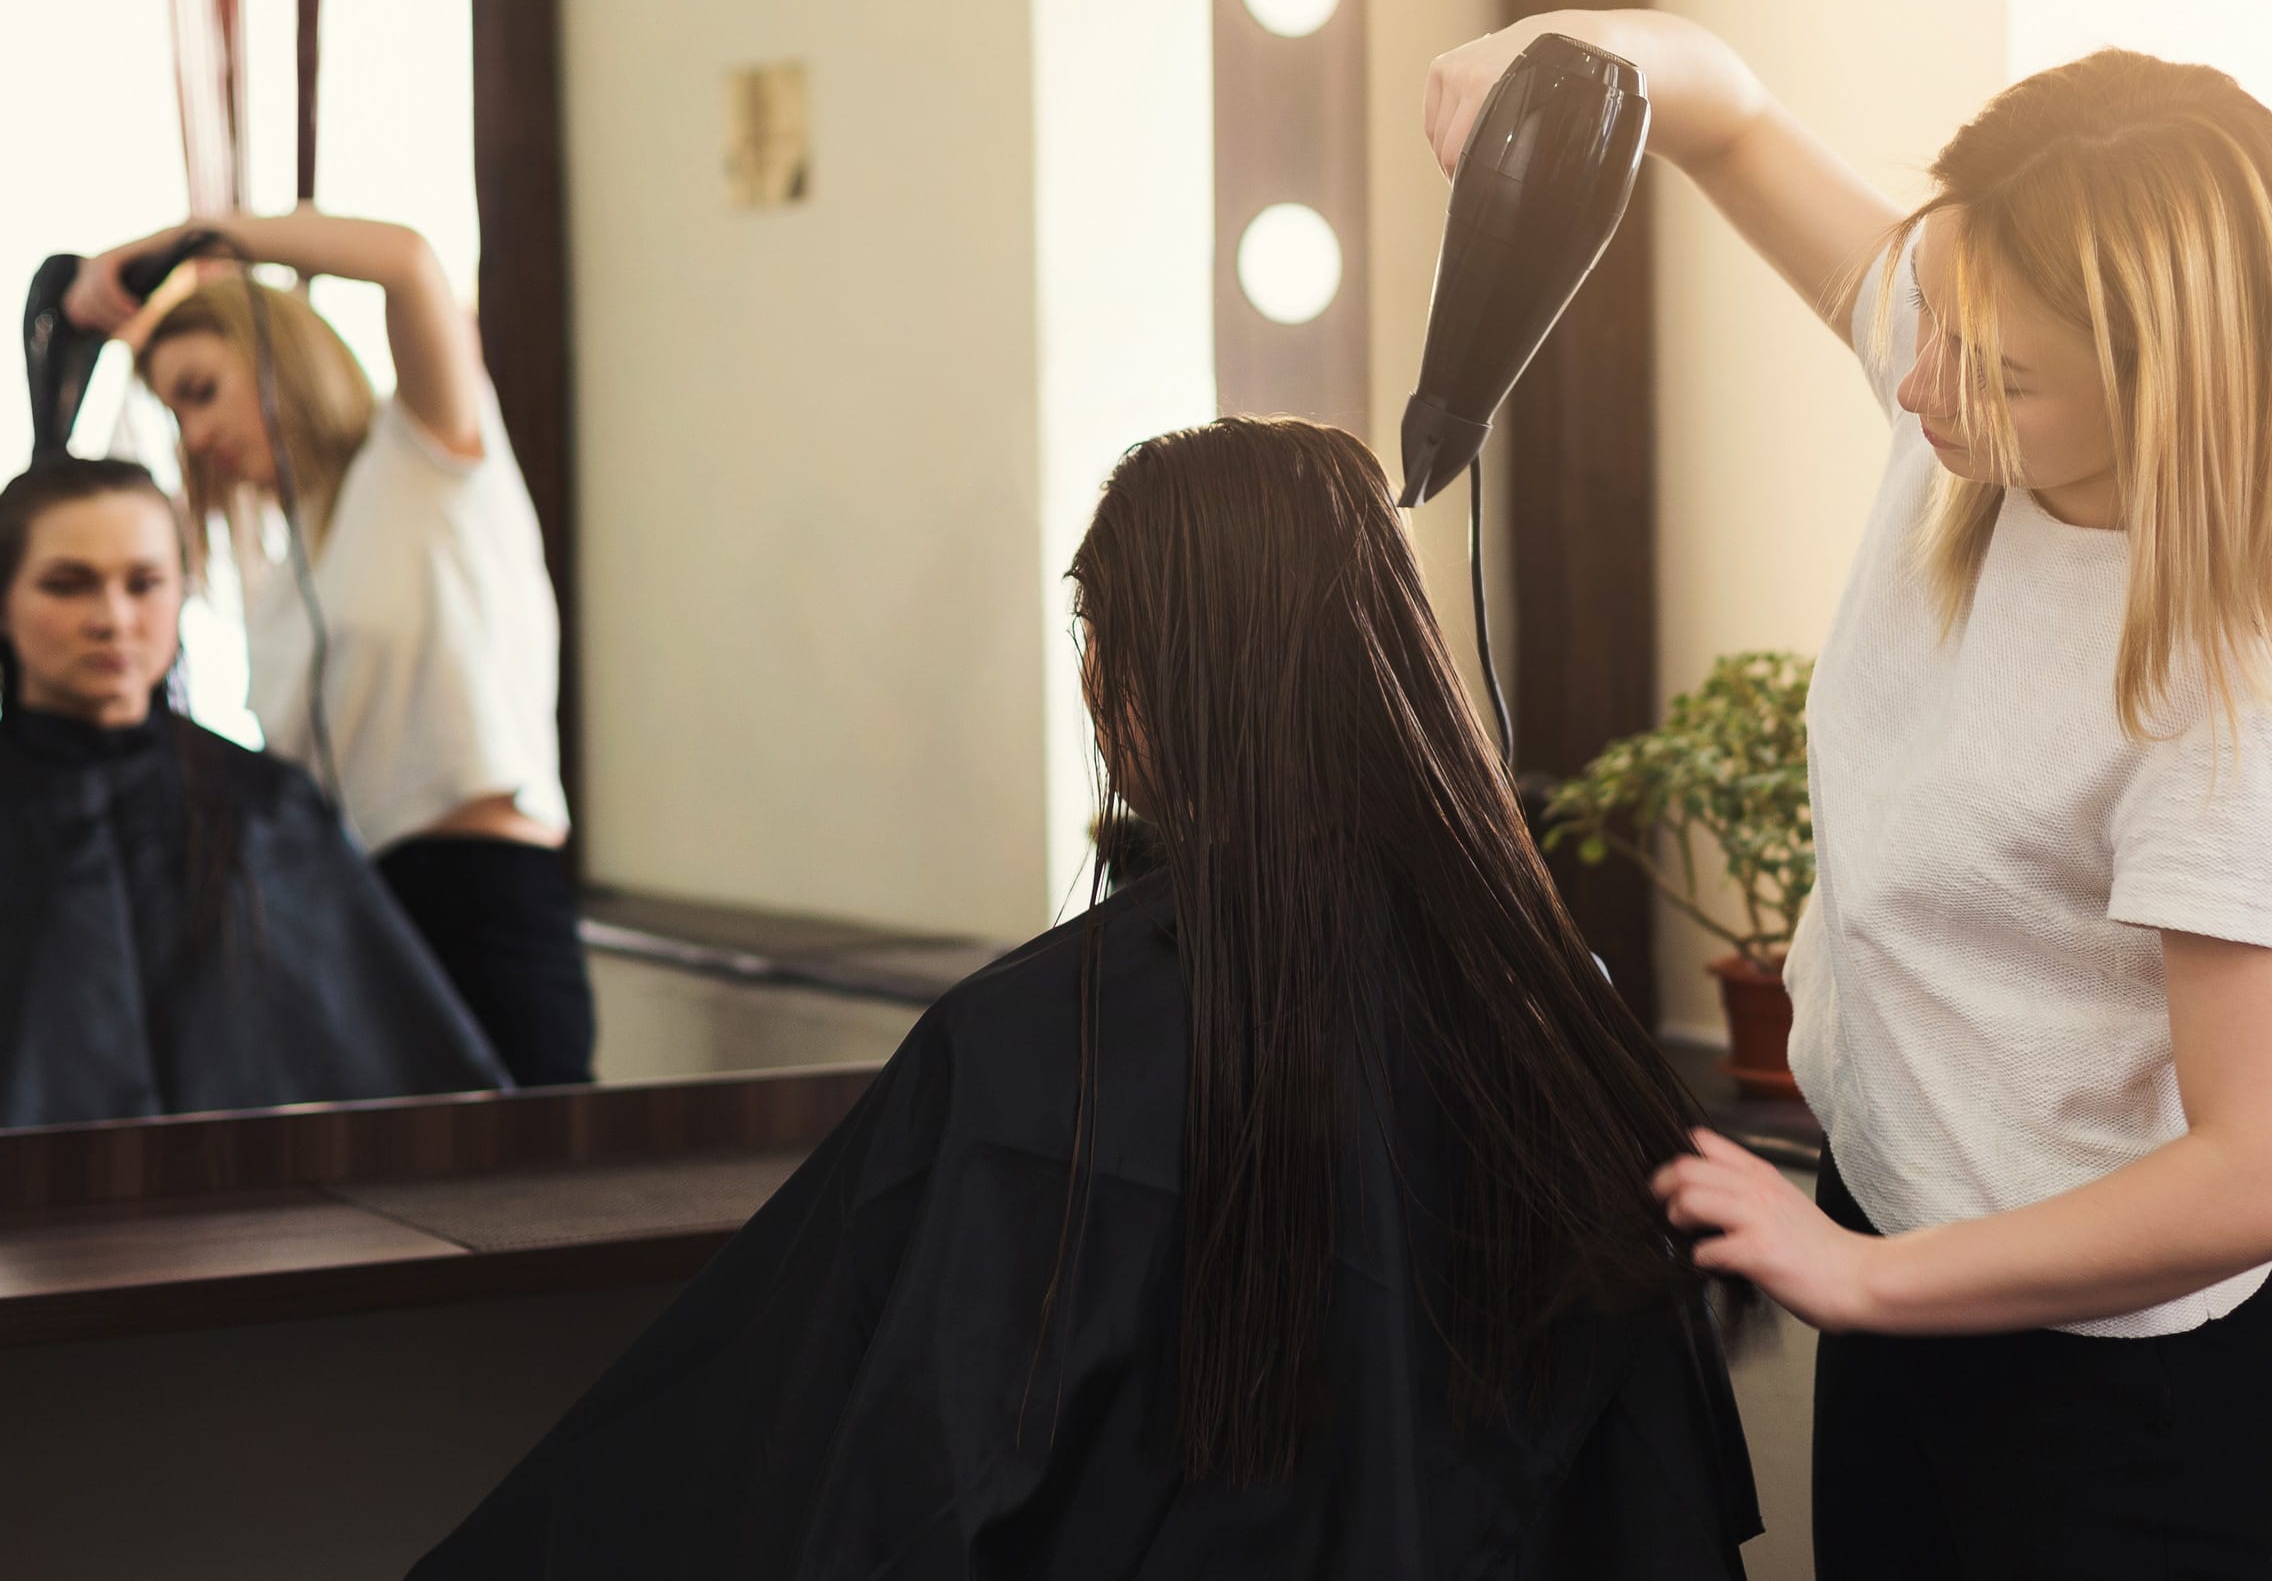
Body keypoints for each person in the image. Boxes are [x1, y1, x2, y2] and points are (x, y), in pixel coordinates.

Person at [409, 418, 1760, 1580]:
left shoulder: (1032, 1055)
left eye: (1093, 639)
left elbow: (885, 1494)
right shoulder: (1560, 1029)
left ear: (1132, 685)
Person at [1428, 18, 2272, 1577]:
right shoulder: (1967, 425)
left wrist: (1861, 1280)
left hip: (2094, 1405)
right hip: (1895, 1261)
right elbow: (1721, 115)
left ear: (2165, 386)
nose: (1915, 383)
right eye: (1927, 304)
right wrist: (1560, 45)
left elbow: (2264, 1167)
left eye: (1992, 369)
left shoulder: (2221, 695)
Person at [63, 209, 594, 1086]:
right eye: (174, 412)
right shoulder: (281, 572)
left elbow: (410, 265)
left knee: (533, 1190)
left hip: (486, 892)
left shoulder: (427, 454)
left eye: (200, 389)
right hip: (355, 917)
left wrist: (199, 239)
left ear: (275, 354)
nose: (194, 436)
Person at [0, 457, 507, 1125]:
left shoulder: (272, 809)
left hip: (243, 1210)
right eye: (69, 585)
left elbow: (413, 1074)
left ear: (184, 590)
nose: (114, 618)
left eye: (145, 583)